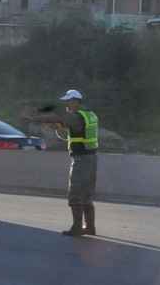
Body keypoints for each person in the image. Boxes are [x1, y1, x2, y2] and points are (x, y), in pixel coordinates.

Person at [27, 89, 99, 237]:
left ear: (75, 102)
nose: (66, 104)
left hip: (81, 160)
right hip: (91, 159)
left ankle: (77, 228)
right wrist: (59, 126)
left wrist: (37, 117)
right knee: (86, 195)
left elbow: (60, 119)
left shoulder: (77, 116)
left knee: (75, 195)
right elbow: (73, 128)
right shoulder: (89, 114)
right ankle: (90, 227)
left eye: (68, 101)